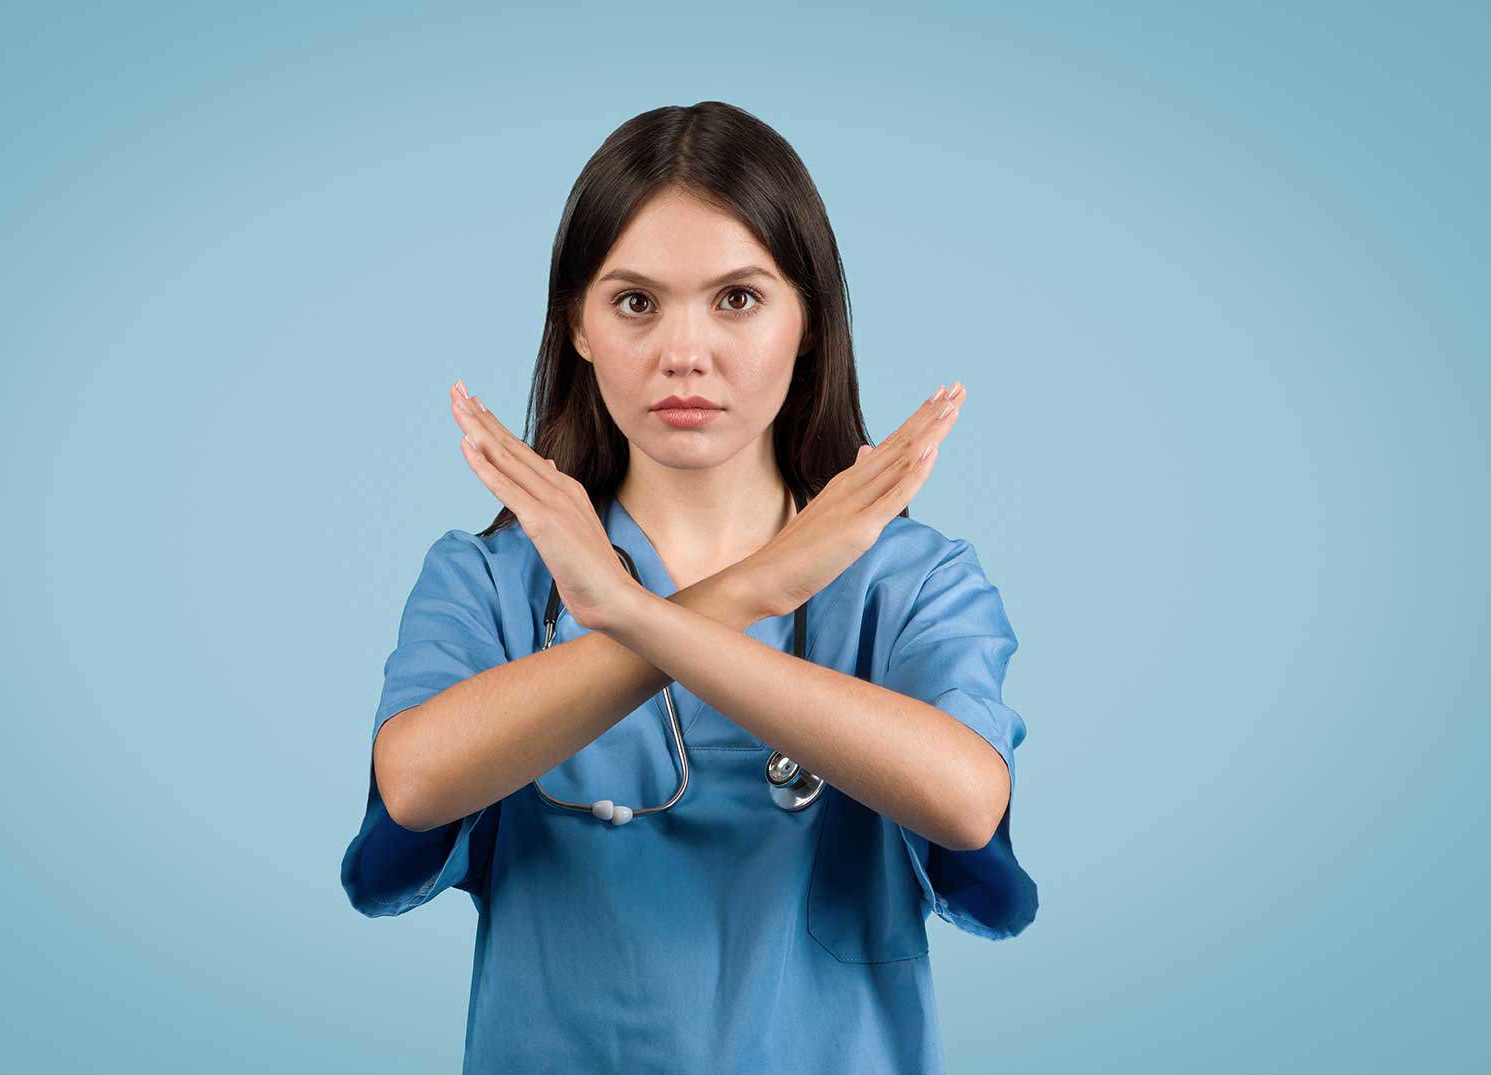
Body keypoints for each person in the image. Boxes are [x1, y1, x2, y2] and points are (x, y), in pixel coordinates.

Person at [341, 101, 1037, 1073]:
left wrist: (626, 612)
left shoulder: (912, 582)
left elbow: (966, 800)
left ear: (807, 322)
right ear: (576, 326)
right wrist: (757, 589)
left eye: (737, 299)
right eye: (634, 301)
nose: (683, 353)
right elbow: (412, 785)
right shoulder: (489, 578)